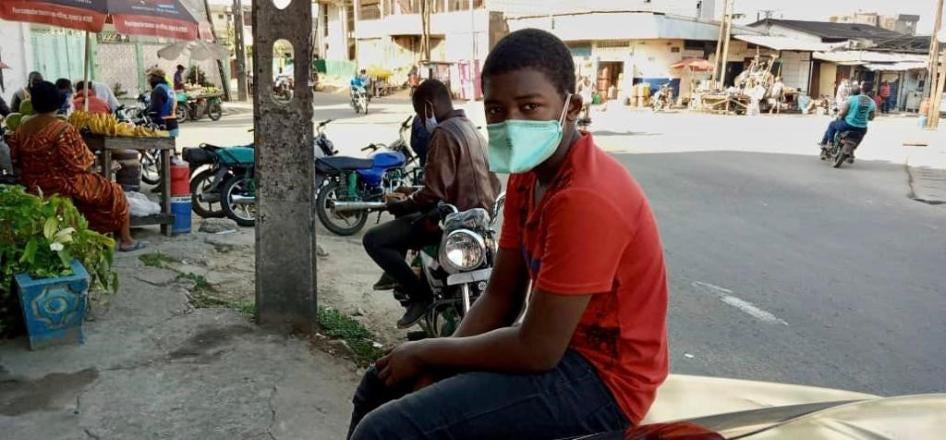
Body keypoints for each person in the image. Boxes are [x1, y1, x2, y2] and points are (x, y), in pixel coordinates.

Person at [348, 29, 668, 440]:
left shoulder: (586, 197)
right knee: (380, 384)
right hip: (557, 355)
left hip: (603, 381)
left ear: (572, 108)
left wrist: (429, 351)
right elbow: (501, 297)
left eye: (530, 106)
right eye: (497, 110)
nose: (511, 123)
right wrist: (437, 367)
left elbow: (537, 349)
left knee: (385, 431)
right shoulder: (526, 177)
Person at [362, 78, 501, 329]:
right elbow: (460, 181)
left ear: (428, 107)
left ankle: (418, 295)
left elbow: (433, 192)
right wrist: (413, 192)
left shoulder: (443, 133)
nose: (422, 121)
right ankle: (405, 277)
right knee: (408, 217)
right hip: (480, 221)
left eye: (419, 114)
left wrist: (401, 205)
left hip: (449, 223)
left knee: (374, 240)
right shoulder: (471, 129)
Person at [7, 81, 144, 251]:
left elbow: (16, 162)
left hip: (32, 185)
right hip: (64, 184)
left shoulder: (21, 130)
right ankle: (126, 240)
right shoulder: (63, 129)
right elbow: (80, 164)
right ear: (58, 102)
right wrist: (98, 169)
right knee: (114, 190)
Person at [819, 81, 876, 156]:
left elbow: (843, 112)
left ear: (861, 89)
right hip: (861, 127)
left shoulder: (853, 99)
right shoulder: (872, 103)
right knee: (861, 135)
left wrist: (840, 115)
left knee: (832, 125)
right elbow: (871, 118)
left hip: (848, 124)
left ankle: (830, 142)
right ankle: (852, 150)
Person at [146, 69, 179, 138]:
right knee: (169, 147)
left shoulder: (158, 90)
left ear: (155, 78)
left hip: (162, 127)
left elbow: (154, 109)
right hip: (173, 125)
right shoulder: (169, 88)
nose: (149, 80)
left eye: (150, 78)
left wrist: (147, 113)